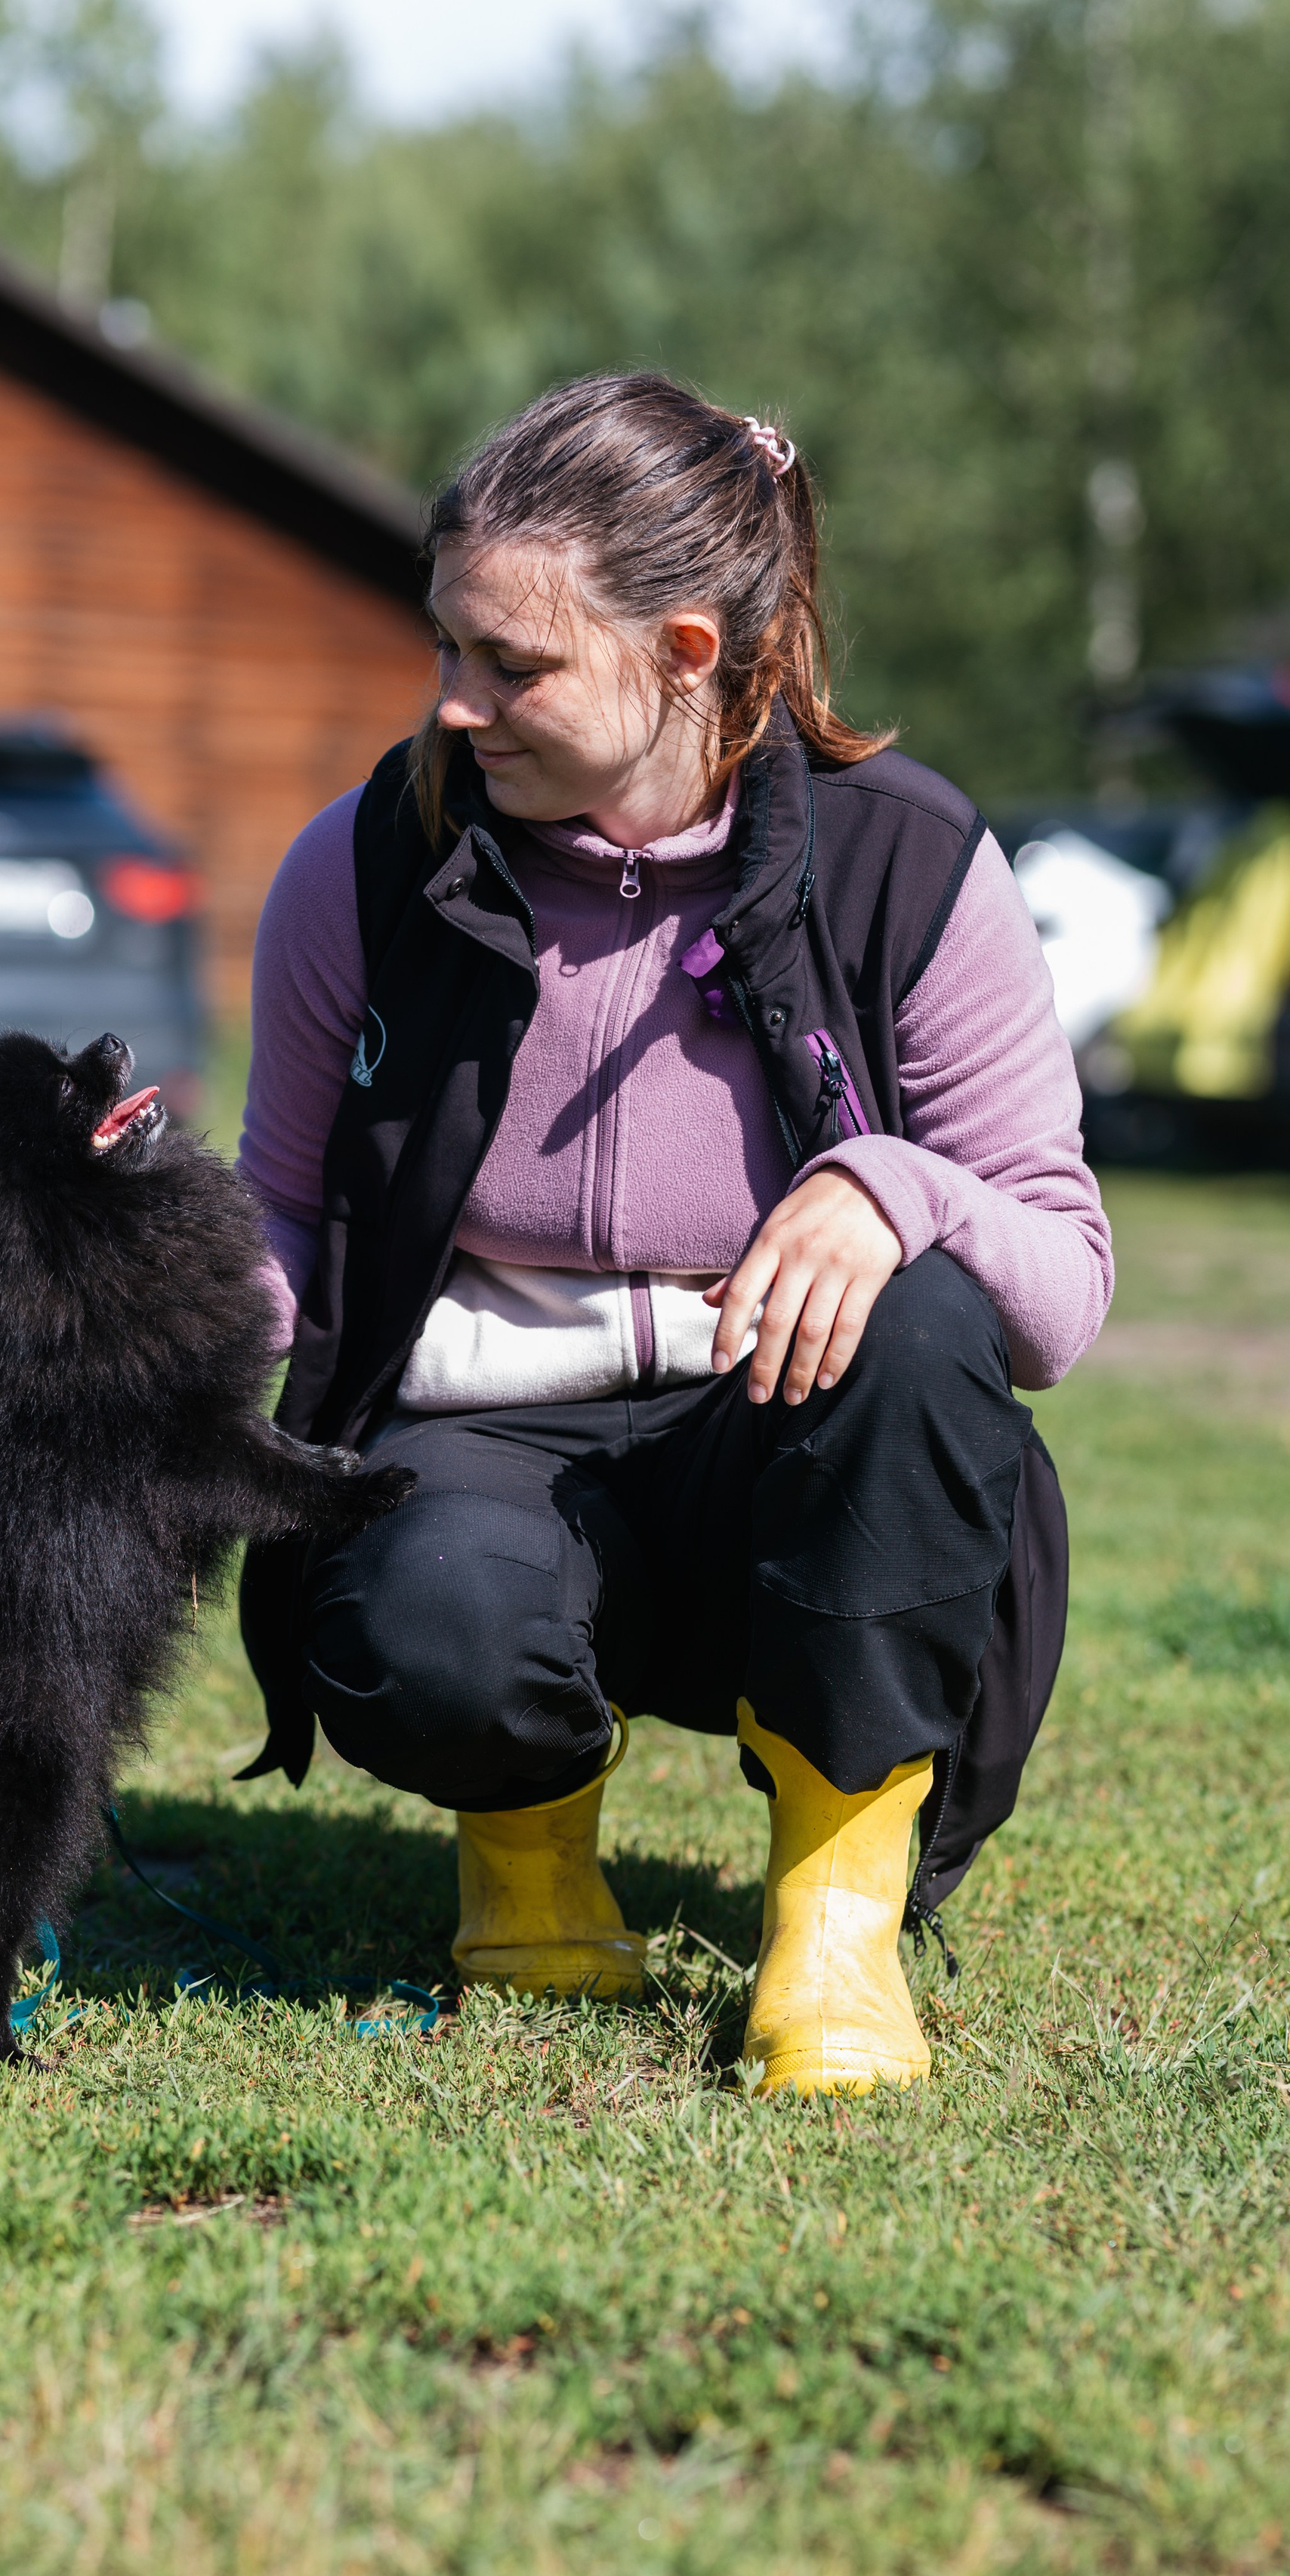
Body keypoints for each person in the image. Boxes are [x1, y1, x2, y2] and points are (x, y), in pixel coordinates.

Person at [234, 374, 1110, 2096]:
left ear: (687, 652)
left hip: (785, 1478)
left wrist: (890, 1184)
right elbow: (280, 1204)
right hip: (480, 1434)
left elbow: (1059, 1293)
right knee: (424, 1623)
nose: (455, 704)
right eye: (447, 648)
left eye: (512, 664)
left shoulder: (909, 865)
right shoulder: (360, 864)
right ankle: (532, 1870)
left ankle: (832, 1927)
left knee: (925, 1317)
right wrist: (148, 1335)